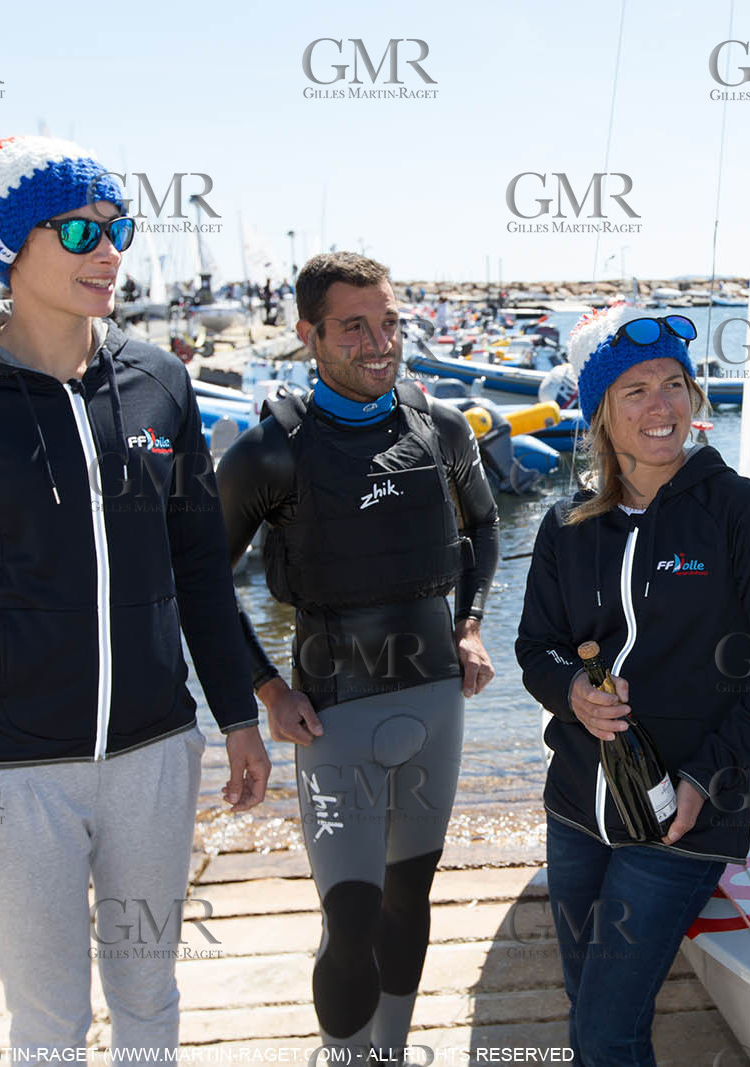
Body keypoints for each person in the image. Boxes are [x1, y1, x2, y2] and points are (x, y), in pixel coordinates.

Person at [0, 135, 271, 1064]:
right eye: (83, 229)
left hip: (154, 754)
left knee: (147, 999)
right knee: (47, 1025)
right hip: (11, 773)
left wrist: (237, 714)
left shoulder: (159, 381)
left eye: (119, 227)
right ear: (10, 246)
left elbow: (199, 568)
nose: (110, 251)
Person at [516, 306, 750, 1066]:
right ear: (601, 416)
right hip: (574, 810)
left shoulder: (744, 516)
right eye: (636, 392)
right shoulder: (567, 526)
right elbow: (534, 648)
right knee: (588, 1003)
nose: (662, 407)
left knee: (606, 1030)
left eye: (674, 385)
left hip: (682, 818)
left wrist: (708, 772)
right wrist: (571, 693)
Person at [216, 252, 500, 1063]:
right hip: (332, 716)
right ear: (309, 335)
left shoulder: (438, 426)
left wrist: (471, 623)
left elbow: (481, 530)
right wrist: (267, 688)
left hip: (435, 704)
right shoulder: (271, 454)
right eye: (354, 327)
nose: (379, 343)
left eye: (389, 324)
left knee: (410, 895)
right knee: (351, 913)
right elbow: (195, 582)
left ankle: (391, 1051)